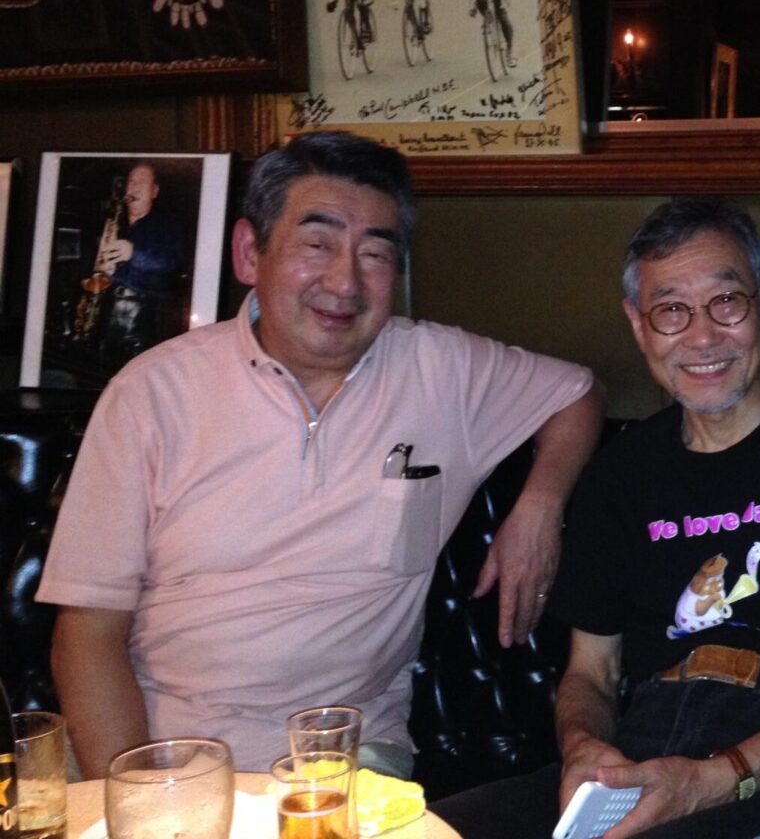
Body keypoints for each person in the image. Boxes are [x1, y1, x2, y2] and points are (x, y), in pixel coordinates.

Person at [37, 131, 605, 778]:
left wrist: (540, 505)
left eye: (375, 254)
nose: (346, 280)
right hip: (160, 749)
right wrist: (143, 795)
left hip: (344, 757)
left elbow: (578, 393)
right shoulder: (150, 394)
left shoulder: (442, 370)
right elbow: (87, 635)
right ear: (251, 252)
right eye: (318, 244)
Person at [432, 197, 760, 838]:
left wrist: (721, 776)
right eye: (671, 311)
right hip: (649, 746)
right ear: (638, 325)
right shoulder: (620, 475)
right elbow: (591, 673)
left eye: (726, 302)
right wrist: (581, 748)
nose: (703, 336)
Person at [96, 161, 188, 361]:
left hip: (144, 326)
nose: (134, 187)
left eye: (142, 182)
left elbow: (172, 262)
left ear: (154, 191)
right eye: (131, 181)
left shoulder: (168, 224)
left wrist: (133, 253)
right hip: (106, 323)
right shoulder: (115, 223)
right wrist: (108, 272)